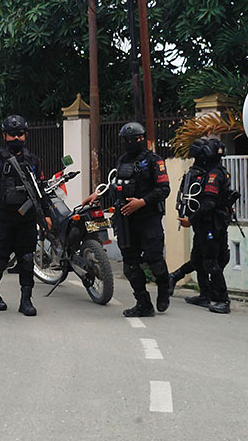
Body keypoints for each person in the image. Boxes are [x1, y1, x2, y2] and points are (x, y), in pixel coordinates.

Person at [0, 116, 51, 316]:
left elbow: (41, 190)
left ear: (26, 135)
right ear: (4, 136)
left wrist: (47, 214)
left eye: (20, 134)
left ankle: (26, 300)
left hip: (26, 219)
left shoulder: (33, 160)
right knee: (0, 259)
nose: (16, 138)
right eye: (12, 134)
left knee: (27, 258)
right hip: (2, 218)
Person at [85, 122, 171, 318]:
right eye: (127, 140)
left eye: (135, 139)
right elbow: (116, 185)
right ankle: (143, 304)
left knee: (155, 260)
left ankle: (164, 287)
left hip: (148, 218)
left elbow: (164, 189)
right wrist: (98, 194)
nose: (131, 143)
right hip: (126, 220)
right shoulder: (122, 160)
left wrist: (141, 202)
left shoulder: (154, 161)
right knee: (130, 265)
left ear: (142, 139)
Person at [175, 137, 235, 314]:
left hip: (211, 224)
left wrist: (190, 220)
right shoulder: (217, 171)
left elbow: (209, 203)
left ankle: (223, 300)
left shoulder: (214, 175)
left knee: (210, 262)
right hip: (207, 224)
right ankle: (204, 295)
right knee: (198, 259)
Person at [168, 137, 211, 304]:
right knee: (205, 259)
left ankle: (176, 277)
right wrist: (192, 220)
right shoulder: (198, 175)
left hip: (207, 221)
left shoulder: (207, 172)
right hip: (204, 222)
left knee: (201, 258)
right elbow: (205, 203)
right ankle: (206, 293)